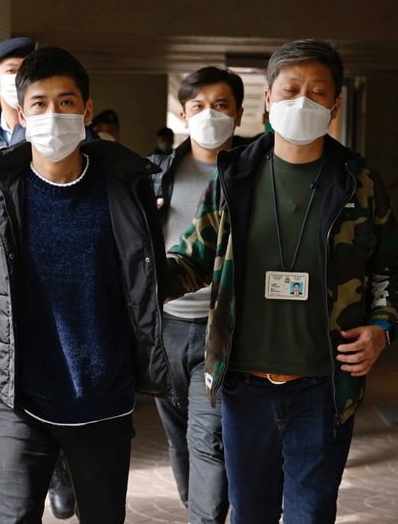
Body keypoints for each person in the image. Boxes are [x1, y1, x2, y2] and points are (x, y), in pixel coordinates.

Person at [165, 39, 398, 523]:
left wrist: (383, 329)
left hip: (324, 387)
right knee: (249, 512)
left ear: (335, 105)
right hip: (244, 383)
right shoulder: (234, 175)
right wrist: (130, 272)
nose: (304, 101)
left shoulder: (357, 181)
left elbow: (392, 267)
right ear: (269, 100)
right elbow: (190, 261)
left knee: (311, 512)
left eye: (318, 92)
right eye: (291, 89)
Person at [0, 46, 173, 524]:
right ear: (21, 110)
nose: (52, 114)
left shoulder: (126, 185)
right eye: (39, 103)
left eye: (65, 102)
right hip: (22, 400)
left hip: (104, 399)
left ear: (86, 109)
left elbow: (144, 277)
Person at [0, 35, 75, 521]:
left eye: (26, 67)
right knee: (0, 404)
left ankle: (61, 470)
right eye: (10, 69)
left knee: (59, 392)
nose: (18, 75)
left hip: (54, 297)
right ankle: (7, 500)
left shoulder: (67, 136)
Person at [149, 65, 244, 524]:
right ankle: (197, 509)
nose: (210, 115)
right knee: (178, 433)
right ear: (184, 116)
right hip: (165, 325)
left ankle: (205, 518)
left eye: (221, 105)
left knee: (209, 437)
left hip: (221, 328)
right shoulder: (157, 175)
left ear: (239, 113)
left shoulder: (252, 173)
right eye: (199, 106)